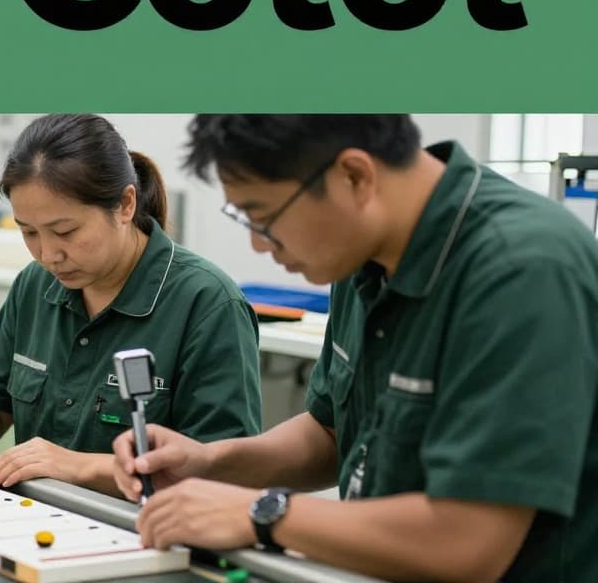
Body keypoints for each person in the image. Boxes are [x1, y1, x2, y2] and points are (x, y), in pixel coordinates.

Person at [112, 115, 598, 582]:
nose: (261, 248)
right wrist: (210, 462)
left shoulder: (521, 271)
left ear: (354, 175)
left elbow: (468, 541)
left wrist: (261, 512)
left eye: (265, 218)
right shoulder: (360, 257)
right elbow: (330, 432)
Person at [0, 114, 262, 498]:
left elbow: (221, 469)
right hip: (34, 524)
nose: (48, 254)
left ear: (125, 204)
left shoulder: (207, 304)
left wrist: (77, 465)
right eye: (29, 232)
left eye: (66, 232)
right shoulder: (35, 286)